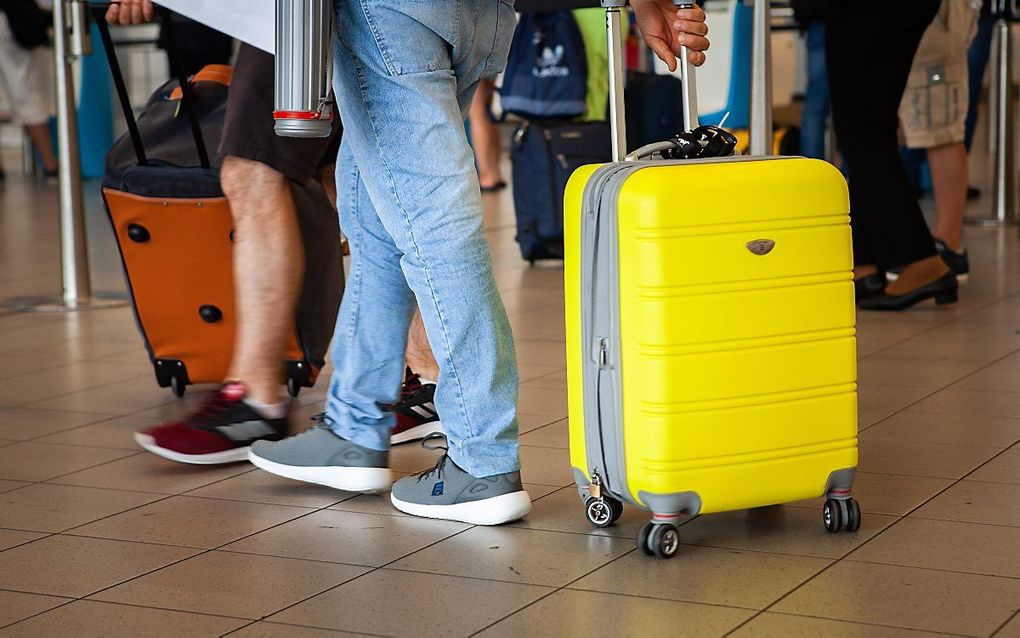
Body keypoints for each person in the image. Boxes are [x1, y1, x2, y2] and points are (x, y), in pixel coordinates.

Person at [247, 0, 709, 525]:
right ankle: (353, 424)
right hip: (480, 18)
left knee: (435, 222)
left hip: (392, 13)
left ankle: (481, 460)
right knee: (377, 215)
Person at [107, 1, 444, 464]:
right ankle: (428, 379)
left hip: (295, 15)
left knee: (252, 169)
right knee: (346, 174)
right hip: (369, 14)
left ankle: (257, 395)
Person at [826, 0, 958, 311]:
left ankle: (920, 259)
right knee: (870, 126)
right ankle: (865, 264)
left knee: (861, 129)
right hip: (889, 11)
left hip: (868, 10)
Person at [898, 0, 980, 279]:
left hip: (935, 20)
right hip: (911, 19)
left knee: (941, 127)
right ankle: (938, 244)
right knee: (907, 125)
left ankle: (949, 245)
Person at [0, 1, 59, 180]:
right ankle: (50, 164)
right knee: (27, 94)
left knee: (26, 93)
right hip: (10, 24)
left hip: (9, 23)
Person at [791, 0, 831, 160]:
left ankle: (813, 166)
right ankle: (853, 177)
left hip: (816, 16)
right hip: (852, 17)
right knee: (854, 103)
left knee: (815, 100)